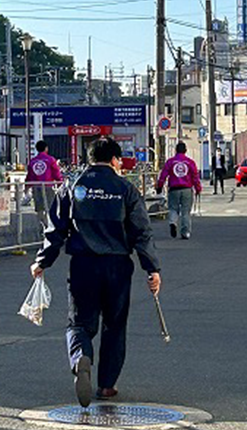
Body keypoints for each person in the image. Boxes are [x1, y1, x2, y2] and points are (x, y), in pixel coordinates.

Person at [29, 137, 161, 407]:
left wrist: (42, 261)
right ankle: (107, 386)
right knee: (114, 326)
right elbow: (142, 232)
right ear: (115, 160)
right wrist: (152, 268)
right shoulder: (126, 188)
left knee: (79, 323)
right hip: (117, 266)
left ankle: (80, 357)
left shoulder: (72, 186)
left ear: (89, 159)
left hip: (83, 264)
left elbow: (56, 230)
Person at [157, 142, 202, 240]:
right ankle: (185, 232)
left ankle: (173, 222)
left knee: (173, 208)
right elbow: (195, 177)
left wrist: (159, 186)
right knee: (186, 211)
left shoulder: (170, 162)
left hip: (173, 189)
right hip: (186, 189)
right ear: (185, 151)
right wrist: (198, 188)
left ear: (175, 150)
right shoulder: (190, 162)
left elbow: (163, 175)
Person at [26, 140, 63, 225]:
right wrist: (60, 182)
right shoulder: (50, 160)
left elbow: (30, 176)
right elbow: (56, 173)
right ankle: (48, 225)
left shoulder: (32, 161)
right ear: (46, 148)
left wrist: (27, 187)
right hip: (48, 186)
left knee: (39, 208)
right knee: (50, 207)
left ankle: (42, 224)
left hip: (36, 187)